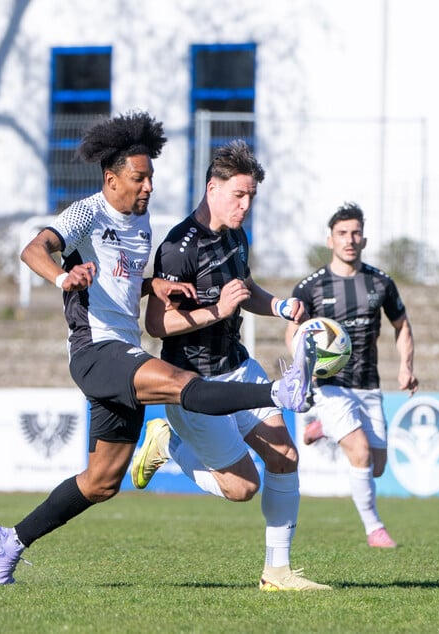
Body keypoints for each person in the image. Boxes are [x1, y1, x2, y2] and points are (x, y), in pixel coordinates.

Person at [0, 112, 316, 585]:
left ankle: (11, 539)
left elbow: (120, 285)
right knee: (181, 383)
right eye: (139, 178)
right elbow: (34, 248)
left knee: (101, 483)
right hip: (97, 351)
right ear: (111, 177)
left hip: (124, 350)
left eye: (151, 178)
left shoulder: (140, 224)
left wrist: (152, 285)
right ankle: (277, 393)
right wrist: (63, 276)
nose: (148, 187)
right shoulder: (87, 213)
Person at [132, 140, 330, 591]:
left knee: (285, 457)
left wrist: (278, 305)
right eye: (239, 195)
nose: (246, 205)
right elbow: (157, 323)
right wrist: (217, 312)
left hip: (239, 367)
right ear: (212, 189)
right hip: (196, 385)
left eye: (251, 197)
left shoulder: (237, 236)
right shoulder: (179, 248)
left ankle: (277, 573)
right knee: (243, 488)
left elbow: (245, 288)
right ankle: (168, 444)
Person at [285, 202, 418, 549]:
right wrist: (303, 365)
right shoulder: (311, 286)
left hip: (369, 384)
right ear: (330, 239)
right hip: (329, 386)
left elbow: (402, 325)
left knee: (376, 466)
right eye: (342, 233)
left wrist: (406, 366)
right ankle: (375, 529)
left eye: (356, 233)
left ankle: (323, 429)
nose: (350, 239)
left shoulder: (381, 283)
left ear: (364, 239)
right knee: (358, 452)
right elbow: (293, 332)